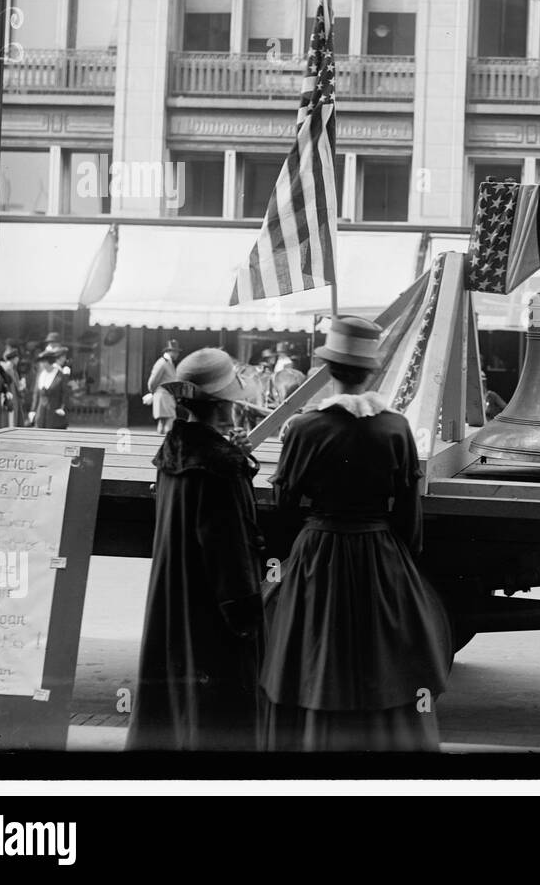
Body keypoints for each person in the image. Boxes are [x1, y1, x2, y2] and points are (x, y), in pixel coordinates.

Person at [260, 316, 452, 752]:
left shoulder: (304, 428)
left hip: (318, 550)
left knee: (312, 658)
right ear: (372, 372)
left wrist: (292, 555)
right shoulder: (395, 427)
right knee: (384, 661)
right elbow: (408, 509)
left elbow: (284, 506)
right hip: (379, 552)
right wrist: (401, 562)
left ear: (329, 370)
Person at [127, 348, 265, 751]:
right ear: (226, 403)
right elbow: (230, 553)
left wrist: (238, 456)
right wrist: (247, 617)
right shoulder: (222, 465)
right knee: (219, 715)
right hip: (212, 609)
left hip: (175, 600)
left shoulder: (173, 451)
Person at [28, 344, 71, 429]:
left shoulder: (60, 375)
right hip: (41, 412)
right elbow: (36, 394)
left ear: (49, 362)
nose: (42, 364)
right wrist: (33, 410)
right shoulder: (41, 374)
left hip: (54, 413)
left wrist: (63, 408)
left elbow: (65, 393)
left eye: (43, 362)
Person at [145, 340, 181, 434]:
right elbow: (152, 381)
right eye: (176, 351)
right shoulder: (162, 363)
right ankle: (167, 444)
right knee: (170, 419)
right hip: (164, 395)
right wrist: (153, 392)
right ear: (170, 351)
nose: (177, 354)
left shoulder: (168, 363)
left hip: (165, 396)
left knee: (163, 421)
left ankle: (160, 445)